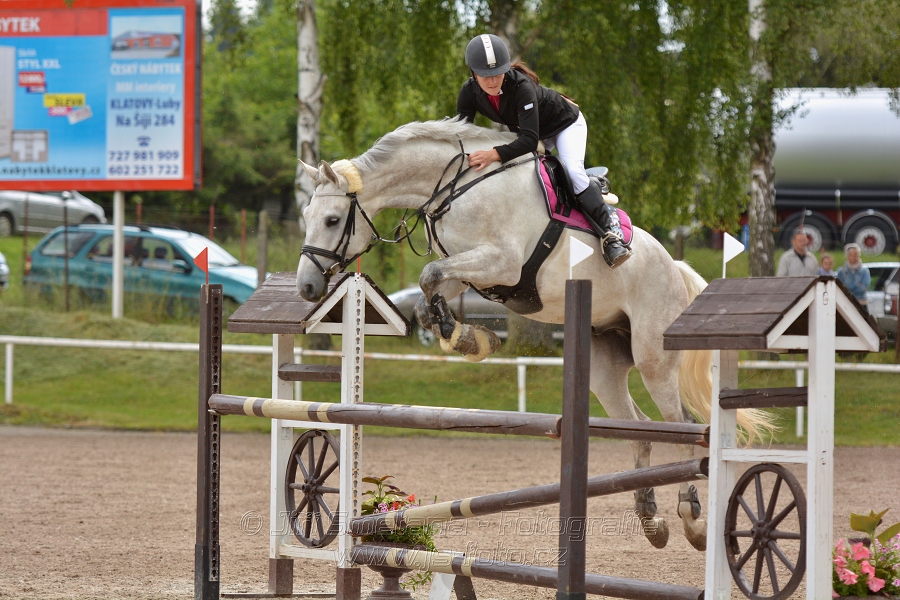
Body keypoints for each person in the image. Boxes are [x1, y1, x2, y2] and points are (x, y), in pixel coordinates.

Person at [456, 34, 631, 268]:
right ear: (473, 73)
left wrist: (492, 154)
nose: (492, 81)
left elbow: (528, 141)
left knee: (572, 171)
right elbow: (460, 132)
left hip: (565, 124)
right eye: (485, 75)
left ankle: (611, 234)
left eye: (498, 73)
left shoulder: (521, 86)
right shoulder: (469, 92)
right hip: (535, 132)